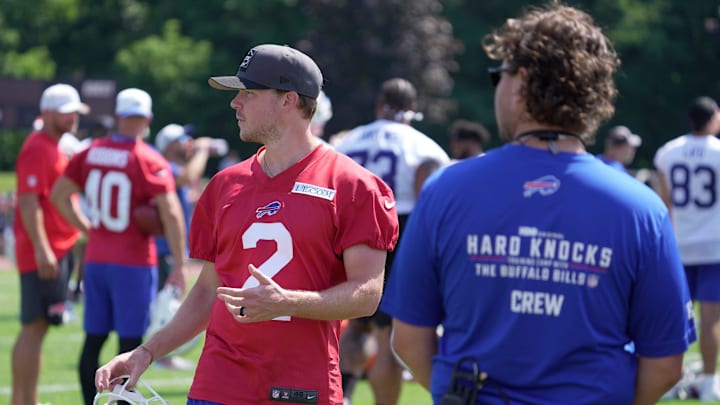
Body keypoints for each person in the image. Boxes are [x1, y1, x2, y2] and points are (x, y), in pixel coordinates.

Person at [380, 3, 696, 405]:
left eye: (500, 76)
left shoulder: (447, 189)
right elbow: (667, 363)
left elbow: (408, 339)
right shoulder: (641, 208)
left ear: (521, 83)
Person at [94, 43, 399, 405]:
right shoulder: (225, 185)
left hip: (301, 386)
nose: (235, 103)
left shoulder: (354, 186)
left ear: (288, 100)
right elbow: (208, 291)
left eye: (248, 93)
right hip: (218, 385)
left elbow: (367, 294)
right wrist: (146, 352)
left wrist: (287, 302)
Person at [50, 87, 187, 405]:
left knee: (93, 339)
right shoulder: (148, 158)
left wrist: (88, 228)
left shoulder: (90, 151)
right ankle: (120, 404)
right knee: (130, 344)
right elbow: (171, 212)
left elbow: (59, 196)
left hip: (97, 259)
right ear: (148, 119)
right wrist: (180, 263)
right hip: (133, 261)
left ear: (117, 117)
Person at [335, 77, 449, 405]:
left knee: (354, 325)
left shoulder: (350, 140)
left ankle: (340, 396)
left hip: (347, 232)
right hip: (398, 230)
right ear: (413, 109)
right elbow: (432, 199)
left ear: (378, 105)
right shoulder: (423, 145)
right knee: (387, 337)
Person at [11, 83, 88, 405]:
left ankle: (28, 399)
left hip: (58, 247)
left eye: (74, 111)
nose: (72, 117)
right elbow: (29, 203)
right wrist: (42, 249)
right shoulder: (38, 147)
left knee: (40, 328)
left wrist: (85, 231)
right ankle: (22, 401)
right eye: (65, 111)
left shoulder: (54, 146)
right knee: (34, 327)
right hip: (45, 251)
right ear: (47, 113)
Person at [653, 95, 720, 401]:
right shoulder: (719, 152)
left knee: (677, 318)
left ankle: (669, 381)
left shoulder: (669, 151)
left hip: (679, 245)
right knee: (710, 320)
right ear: (713, 118)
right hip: (714, 245)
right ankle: (708, 382)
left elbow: (664, 201)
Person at [150, 122, 217, 370]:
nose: (189, 144)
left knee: (169, 301)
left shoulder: (169, 167)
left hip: (167, 246)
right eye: (183, 139)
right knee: (164, 303)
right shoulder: (164, 166)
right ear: (169, 145)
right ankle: (158, 354)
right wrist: (202, 151)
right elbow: (186, 177)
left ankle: (162, 353)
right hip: (162, 247)